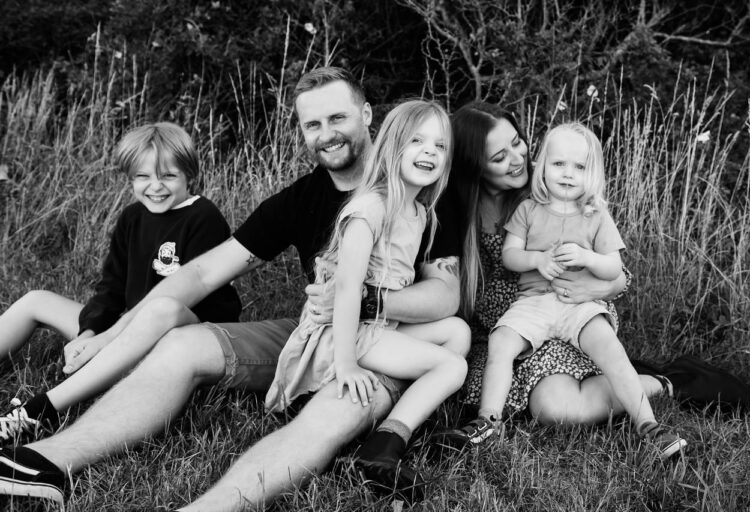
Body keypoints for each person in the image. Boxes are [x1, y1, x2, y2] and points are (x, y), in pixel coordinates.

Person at [0, 67, 462, 510]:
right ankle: (46, 461)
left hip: (391, 337)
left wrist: (362, 300)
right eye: (313, 124)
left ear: (366, 116)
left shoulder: (423, 189)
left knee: (340, 406)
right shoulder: (300, 199)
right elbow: (202, 274)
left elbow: (444, 298)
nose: (327, 134)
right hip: (315, 329)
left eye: (338, 118)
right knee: (182, 345)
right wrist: (111, 333)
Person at [449, 121, 686, 459]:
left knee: (609, 347)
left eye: (579, 167)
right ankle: (488, 422)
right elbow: (510, 256)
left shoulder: (595, 214)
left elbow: (615, 269)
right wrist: (538, 259)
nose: (568, 174)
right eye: (559, 164)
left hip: (578, 305)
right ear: (542, 166)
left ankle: (649, 425)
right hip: (532, 303)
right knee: (502, 341)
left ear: (592, 175)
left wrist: (588, 258)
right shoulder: (528, 209)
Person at [265, 100, 469, 492]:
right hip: (345, 331)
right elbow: (346, 290)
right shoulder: (369, 208)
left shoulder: (420, 212)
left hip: (377, 325)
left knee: (457, 333)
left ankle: (399, 415)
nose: (429, 151)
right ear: (392, 146)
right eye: (417, 141)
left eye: (440, 146)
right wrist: (346, 364)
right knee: (451, 367)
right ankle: (383, 447)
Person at [0, 122, 241, 442]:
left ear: (189, 174)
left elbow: (199, 296)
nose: (155, 186)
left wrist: (112, 339)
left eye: (168, 175)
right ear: (130, 178)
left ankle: (38, 411)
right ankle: (99, 355)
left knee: (164, 307)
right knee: (36, 299)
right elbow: (111, 288)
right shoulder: (132, 217)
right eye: (143, 177)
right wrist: (88, 335)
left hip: (181, 333)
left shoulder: (203, 217)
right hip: (122, 329)